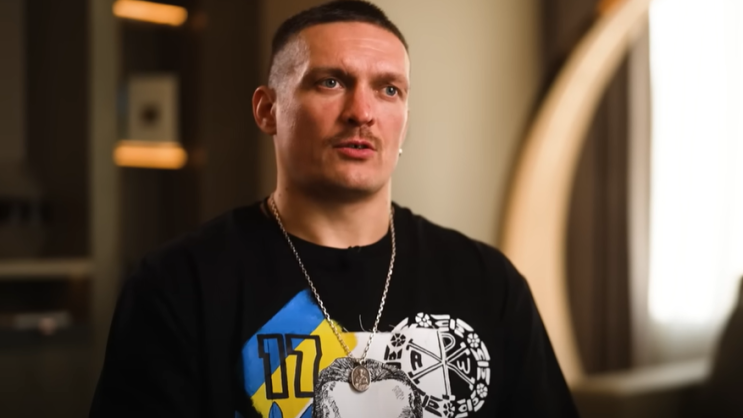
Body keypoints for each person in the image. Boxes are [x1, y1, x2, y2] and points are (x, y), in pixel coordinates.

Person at [89, 1, 579, 417]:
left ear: (404, 120)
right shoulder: (177, 285)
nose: (362, 112)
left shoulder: (488, 283)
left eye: (389, 89)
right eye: (330, 82)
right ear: (267, 110)